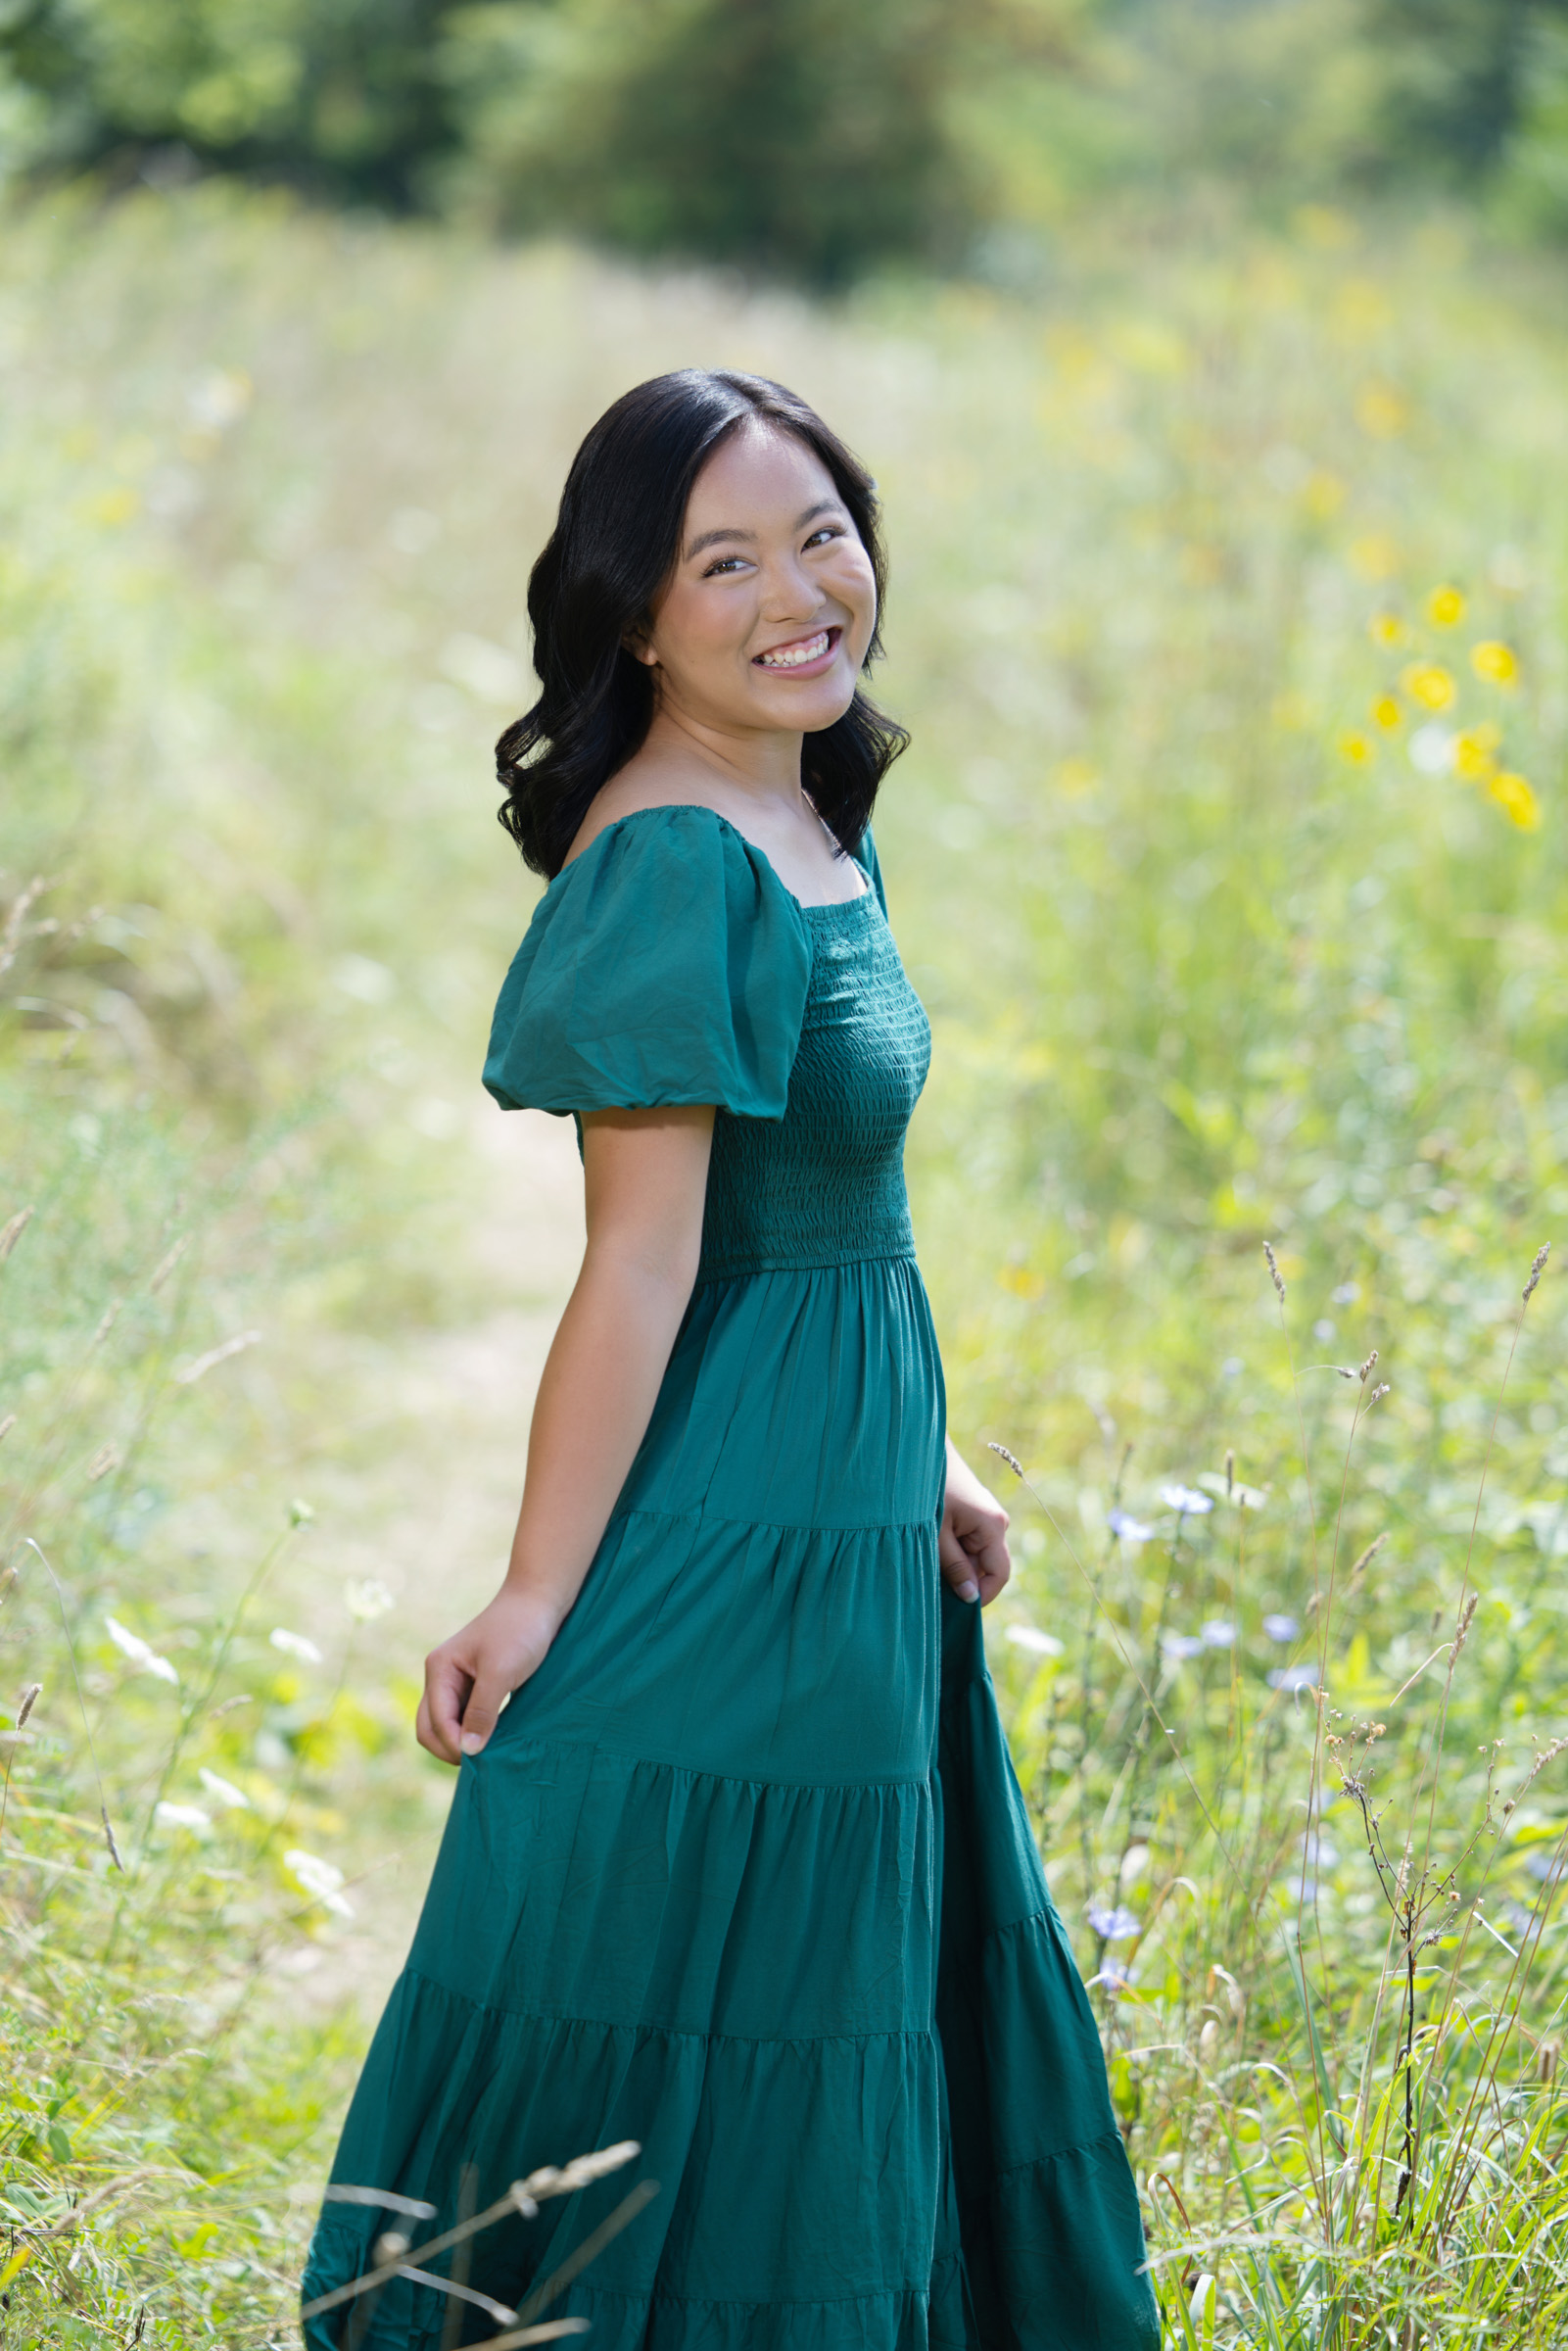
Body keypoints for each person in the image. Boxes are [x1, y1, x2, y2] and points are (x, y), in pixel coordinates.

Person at [302, 370, 1159, 2350]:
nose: (800, 591)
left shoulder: (803, 802)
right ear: (632, 616)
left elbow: (827, 1211)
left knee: (820, 1994)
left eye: (822, 531)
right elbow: (640, 1268)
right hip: (737, 1532)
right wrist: (530, 1593)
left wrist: (924, 1456)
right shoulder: (677, 855)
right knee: (698, 1971)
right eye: (725, 561)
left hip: (845, 1508)